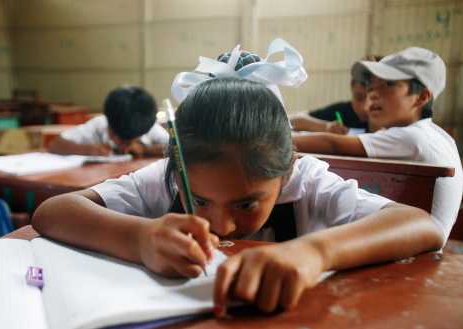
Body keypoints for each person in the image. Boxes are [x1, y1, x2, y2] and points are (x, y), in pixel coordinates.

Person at [33, 75, 443, 316]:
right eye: (200, 200)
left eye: (247, 204)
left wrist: (314, 252)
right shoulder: (166, 177)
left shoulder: (308, 182)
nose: (221, 224)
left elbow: (420, 225)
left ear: (286, 171)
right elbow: (54, 211)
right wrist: (139, 238)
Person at [293, 47, 463, 245]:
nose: (372, 94)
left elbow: (332, 144)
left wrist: (273, 140)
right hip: (414, 240)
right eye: (371, 86)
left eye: (388, 85)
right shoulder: (437, 136)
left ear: (422, 97)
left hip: (416, 247)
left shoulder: (412, 137)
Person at [48, 86, 168, 157]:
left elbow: (177, 149)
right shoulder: (99, 124)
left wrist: (145, 150)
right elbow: (55, 145)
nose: (124, 148)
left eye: (128, 142)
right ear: (109, 124)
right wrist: (90, 149)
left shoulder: (146, 124)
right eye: (118, 138)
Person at [290, 56, 382, 135]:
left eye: (378, 85)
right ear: (352, 84)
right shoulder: (339, 111)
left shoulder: (389, 123)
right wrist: (326, 127)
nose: (369, 88)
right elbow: (293, 121)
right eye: (364, 82)